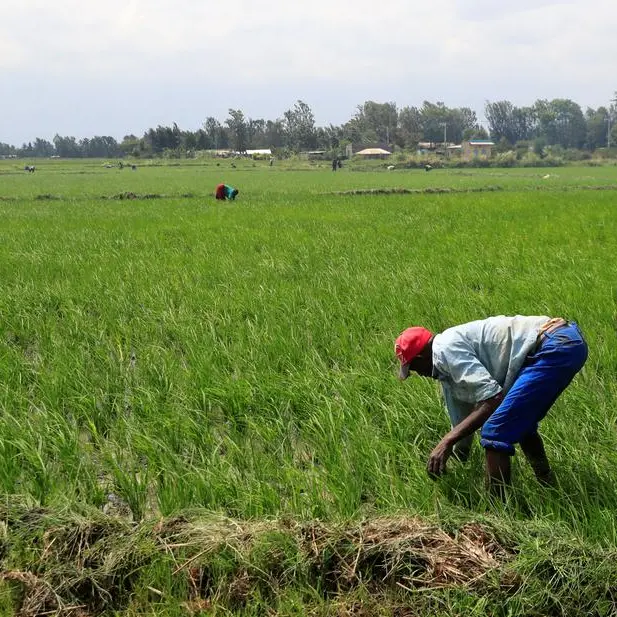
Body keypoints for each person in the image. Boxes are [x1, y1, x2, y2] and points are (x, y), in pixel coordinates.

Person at [395, 316, 587, 496]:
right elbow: (461, 419)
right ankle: (548, 486)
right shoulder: (445, 364)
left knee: (495, 429)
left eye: (413, 368)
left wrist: (445, 442)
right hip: (563, 341)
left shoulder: (446, 351)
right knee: (519, 421)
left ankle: (497, 511)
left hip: (555, 346)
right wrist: (453, 454)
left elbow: (493, 399)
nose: (417, 374)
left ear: (421, 359)